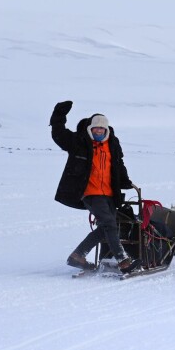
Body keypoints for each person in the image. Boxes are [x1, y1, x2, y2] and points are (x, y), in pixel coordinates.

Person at [49, 100, 141, 274]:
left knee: (106, 227)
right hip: (89, 192)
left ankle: (78, 255)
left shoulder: (112, 144)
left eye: (102, 129)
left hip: (109, 192)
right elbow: (59, 134)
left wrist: (125, 180)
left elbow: (118, 164)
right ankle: (123, 261)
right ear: (90, 129)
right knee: (109, 224)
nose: (98, 131)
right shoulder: (79, 142)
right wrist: (58, 115)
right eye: (95, 128)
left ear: (106, 130)